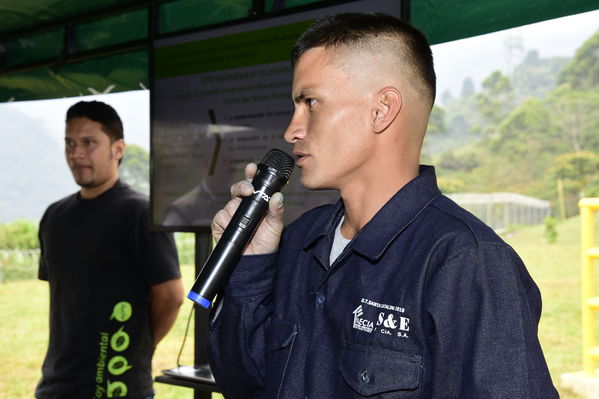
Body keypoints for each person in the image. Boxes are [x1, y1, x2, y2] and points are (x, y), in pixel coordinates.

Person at [206, 12, 559, 399]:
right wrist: (252, 264)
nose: (292, 130)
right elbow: (243, 384)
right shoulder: (301, 238)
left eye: (311, 102)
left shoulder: (466, 261)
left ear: (382, 109)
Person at [36, 101, 184, 399]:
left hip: (117, 385)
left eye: (89, 143)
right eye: (70, 143)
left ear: (118, 149)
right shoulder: (54, 216)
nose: (76, 154)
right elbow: (67, 296)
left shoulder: (139, 212)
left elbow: (171, 296)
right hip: (56, 385)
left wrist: (138, 347)